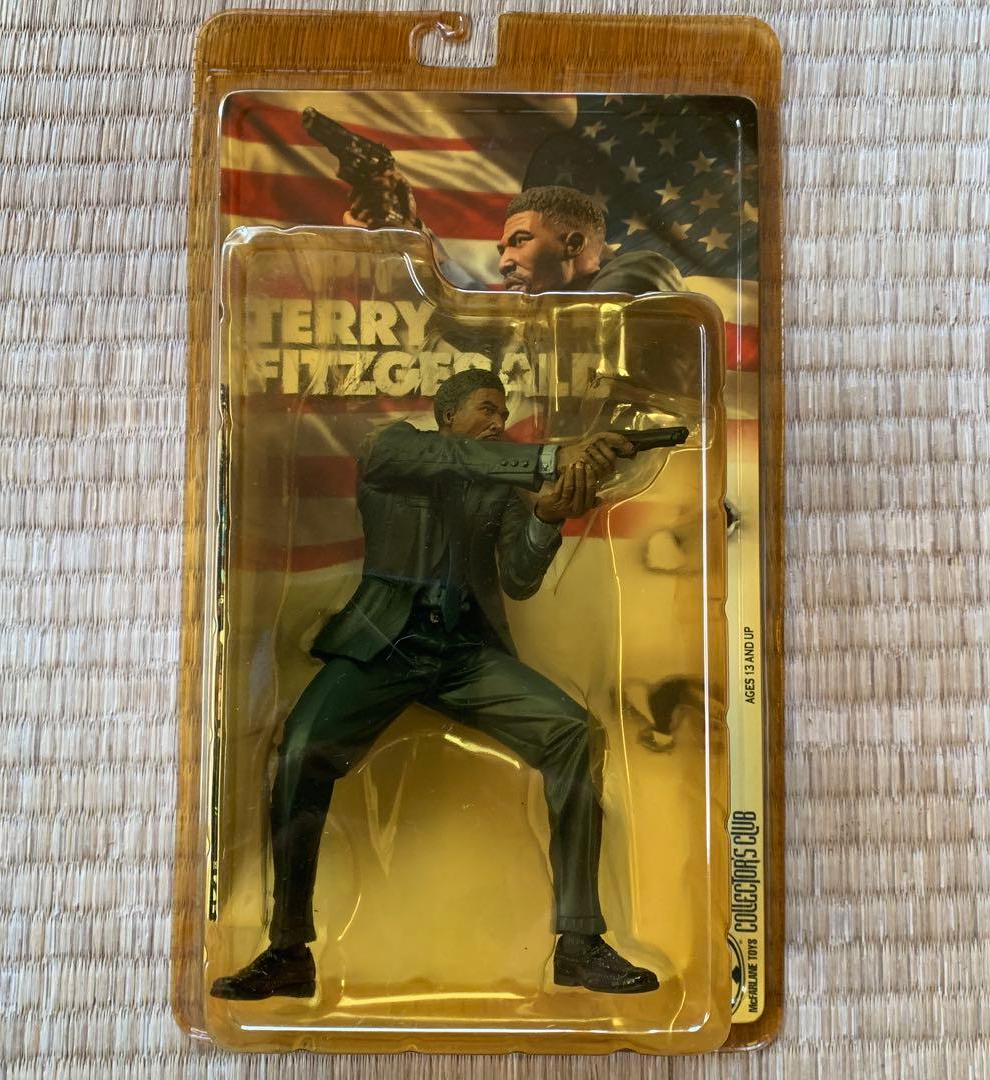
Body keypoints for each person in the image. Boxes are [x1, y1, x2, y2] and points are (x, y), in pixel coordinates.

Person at [211, 370, 662, 1000]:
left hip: (463, 654)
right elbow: (452, 458)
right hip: (384, 644)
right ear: (447, 414)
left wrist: (547, 516)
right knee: (300, 751)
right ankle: (287, 950)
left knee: (571, 733)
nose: (498, 421)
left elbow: (520, 578)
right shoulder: (393, 447)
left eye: (504, 411)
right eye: (486, 408)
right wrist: (550, 457)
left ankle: (580, 944)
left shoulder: (502, 484)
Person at [343, 175, 684, 295]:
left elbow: (589, 320)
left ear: (573, 244)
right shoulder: (537, 319)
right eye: (502, 250)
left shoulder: (642, 271)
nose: (504, 263)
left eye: (520, 241)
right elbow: (486, 312)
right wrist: (413, 238)